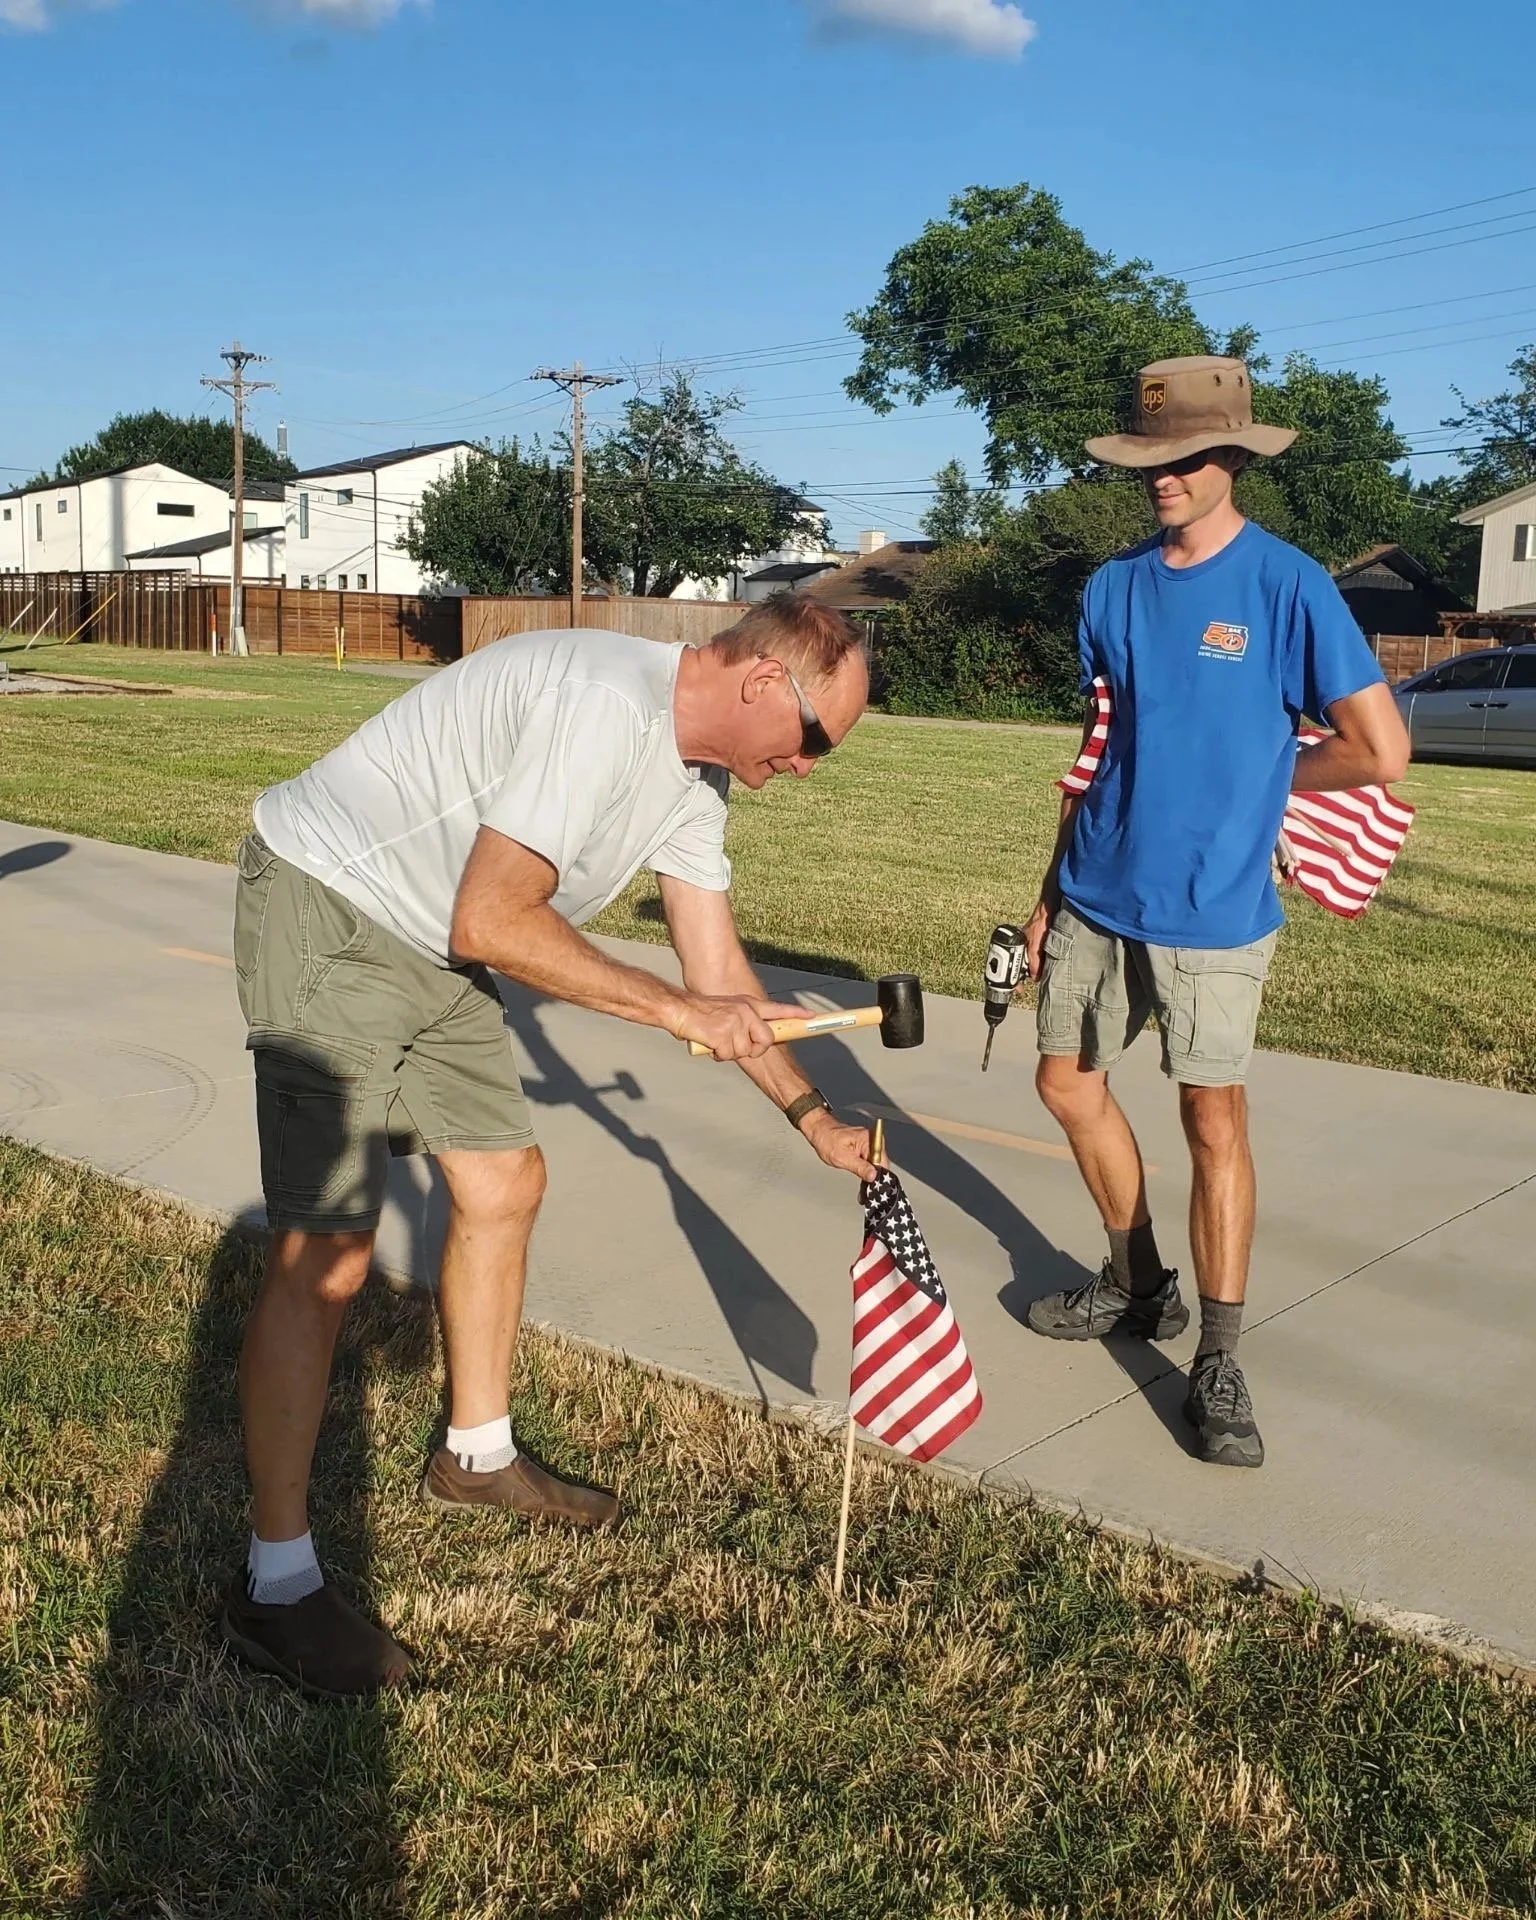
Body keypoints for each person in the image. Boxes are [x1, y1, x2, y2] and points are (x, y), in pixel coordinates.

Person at [221, 593, 877, 1696]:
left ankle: (475, 1459)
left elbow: (718, 976)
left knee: (503, 1182)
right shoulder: (602, 705)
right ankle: (275, 1585)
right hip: (329, 907)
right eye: (814, 740)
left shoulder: (693, 778)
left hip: (433, 938)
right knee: (328, 1255)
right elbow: (496, 920)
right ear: (767, 684)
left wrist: (810, 1114)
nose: (810, 767)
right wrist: (670, 1013)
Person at [1021, 356, 1410, 1469]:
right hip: (1097, 889)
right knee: (1065, 1084)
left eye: (1185, 458)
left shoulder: (1290, 586)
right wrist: (1047, 895)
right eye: (1147, 458)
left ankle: (1220, 1359)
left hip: (1214, 906)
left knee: (1213, 1122)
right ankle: (1141, 1282)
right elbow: (1096, 754)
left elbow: (1382, 749)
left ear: (1233, 457)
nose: (1162, 478)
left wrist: (1267, 777)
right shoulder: (1111, 588)